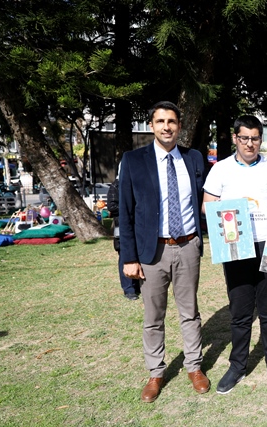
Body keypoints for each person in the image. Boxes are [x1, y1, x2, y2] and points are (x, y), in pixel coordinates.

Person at [119, 101, 209, 403]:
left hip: (187, 246)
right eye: (160, 121)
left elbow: (206, 199)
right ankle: (156, 372)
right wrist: (129, 257)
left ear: (179, 126)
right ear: (151, 125)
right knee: (153, 316)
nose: (166, 127)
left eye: (172, 121)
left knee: (190, 312)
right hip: (151, 251)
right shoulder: (133, 160)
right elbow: (125, 213)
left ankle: (194, 366)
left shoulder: (194, 158)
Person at [202, 115, 267, 394]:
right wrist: (227, 211)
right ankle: (237, 366)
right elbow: (207, 205)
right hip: (236, 244)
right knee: (240, 312)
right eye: (244, 138)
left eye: (255, 138)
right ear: (235, 138)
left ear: (260, 139)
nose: (250, 143)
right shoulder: (221, 169)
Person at [106, 164, 140, 300]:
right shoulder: (116, 186)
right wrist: (129, 209)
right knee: (125, 257)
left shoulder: (136, 183)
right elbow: (112, 206)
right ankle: (128, 288)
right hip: (122, 228)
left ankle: (137, 284)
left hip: (138, 227)